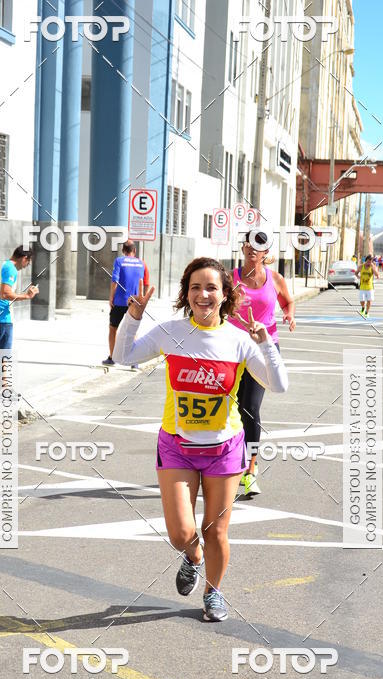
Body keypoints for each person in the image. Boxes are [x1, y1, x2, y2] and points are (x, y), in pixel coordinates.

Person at [113, 257, 288, 622]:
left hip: (223, 449)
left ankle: (214, 592)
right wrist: (133, 317)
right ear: (186, 293)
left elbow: (279, 385)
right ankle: (192, 557)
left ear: (225, 294)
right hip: (177, 445)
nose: (203, 294)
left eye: (211, 287)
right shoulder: (171, 332)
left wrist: (266, 343)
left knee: (216, 530)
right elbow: (122, 356)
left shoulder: (239, 340)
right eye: (195, 287)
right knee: (181, 533)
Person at [229, 229, 295, 497]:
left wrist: (289, 316)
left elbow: (288, 302)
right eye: (248, 243)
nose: (252, 249)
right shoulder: (229, 279)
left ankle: (250, 470)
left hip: (264, 347)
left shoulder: (275, 278)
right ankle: (225, 464)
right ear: (243, 248)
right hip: (231, 349)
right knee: (228, 407)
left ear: (266, 253)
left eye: (259, 246)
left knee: (250, 408)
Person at [103, 240, 150, 366]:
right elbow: (146, 283)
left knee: (113, 328)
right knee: (132, 329)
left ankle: (112, 358)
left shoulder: (119, 261)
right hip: (134, 301)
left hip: (119, 301)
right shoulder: (142, 263)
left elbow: (115, 280)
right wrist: (142, 299)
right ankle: (134, 361)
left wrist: (111, 297)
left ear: (123, 251)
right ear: (134, 251)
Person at [0, 246, 38, 349]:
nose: (27, 265)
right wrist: (27, 296)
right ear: (24, 258)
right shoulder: (11, 269)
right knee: (4, 357)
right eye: (28, 262)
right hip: (3, 319)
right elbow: (5, 294)